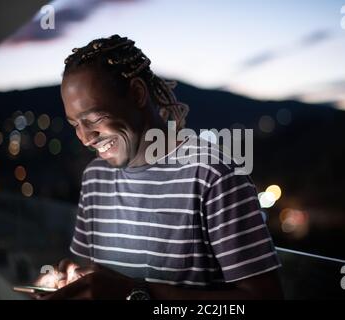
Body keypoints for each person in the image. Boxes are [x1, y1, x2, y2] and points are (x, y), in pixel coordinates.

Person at [35, 35, 283, 299]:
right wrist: (69, 279)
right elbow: (91, 274)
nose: (85, 137)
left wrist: (137, 293)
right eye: (75, 125)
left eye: (95, 118)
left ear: (138, 94)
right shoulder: (95, 177)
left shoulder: (212, 175)